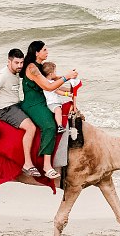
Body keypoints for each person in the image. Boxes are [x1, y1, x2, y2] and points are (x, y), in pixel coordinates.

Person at [19, 41, 78, 180]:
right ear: (37, 52)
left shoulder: (40, 67)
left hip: (42, 101)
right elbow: (48, 87)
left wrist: (71, 86)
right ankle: (47, 166)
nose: (47, 52)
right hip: (33, 104)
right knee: (50, 126)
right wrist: (67, 77)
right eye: (44, 50)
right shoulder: (32, 68)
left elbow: (53, 81)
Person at [0, 48, 38, 175]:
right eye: (16, 63)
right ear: (9, 62)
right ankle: (27, 164)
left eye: (21, 62)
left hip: (16, 104)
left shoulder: (16, 72)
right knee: (31, 128)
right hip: (6, 109)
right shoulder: (3, 75)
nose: (20, 65)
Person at [41, 61, 79, 134]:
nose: (56, 73)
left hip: (56, 102)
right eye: (55, 72)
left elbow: (60, 87)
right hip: (52, 103)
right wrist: (67, 94)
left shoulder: (51, 81)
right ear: (51, 74)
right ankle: (60, 126)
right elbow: (57, 91)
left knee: (63, 109)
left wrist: (70, 90)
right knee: (58, 111)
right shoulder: (49, 83)